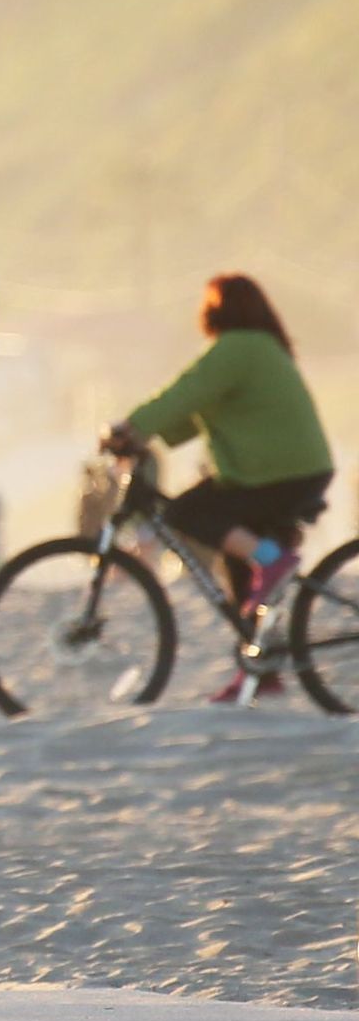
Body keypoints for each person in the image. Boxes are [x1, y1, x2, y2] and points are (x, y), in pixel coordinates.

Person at [102, 272, 334, 703]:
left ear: (216, 311)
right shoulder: (259, 348)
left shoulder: (237, 348)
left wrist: (131, 427)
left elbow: (185, 392)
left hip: (280, 473)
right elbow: (192, 414)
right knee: (237, 558)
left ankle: (274, 560)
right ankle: (260, 667)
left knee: (186, 513)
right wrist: (146, 435)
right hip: (291, 471)